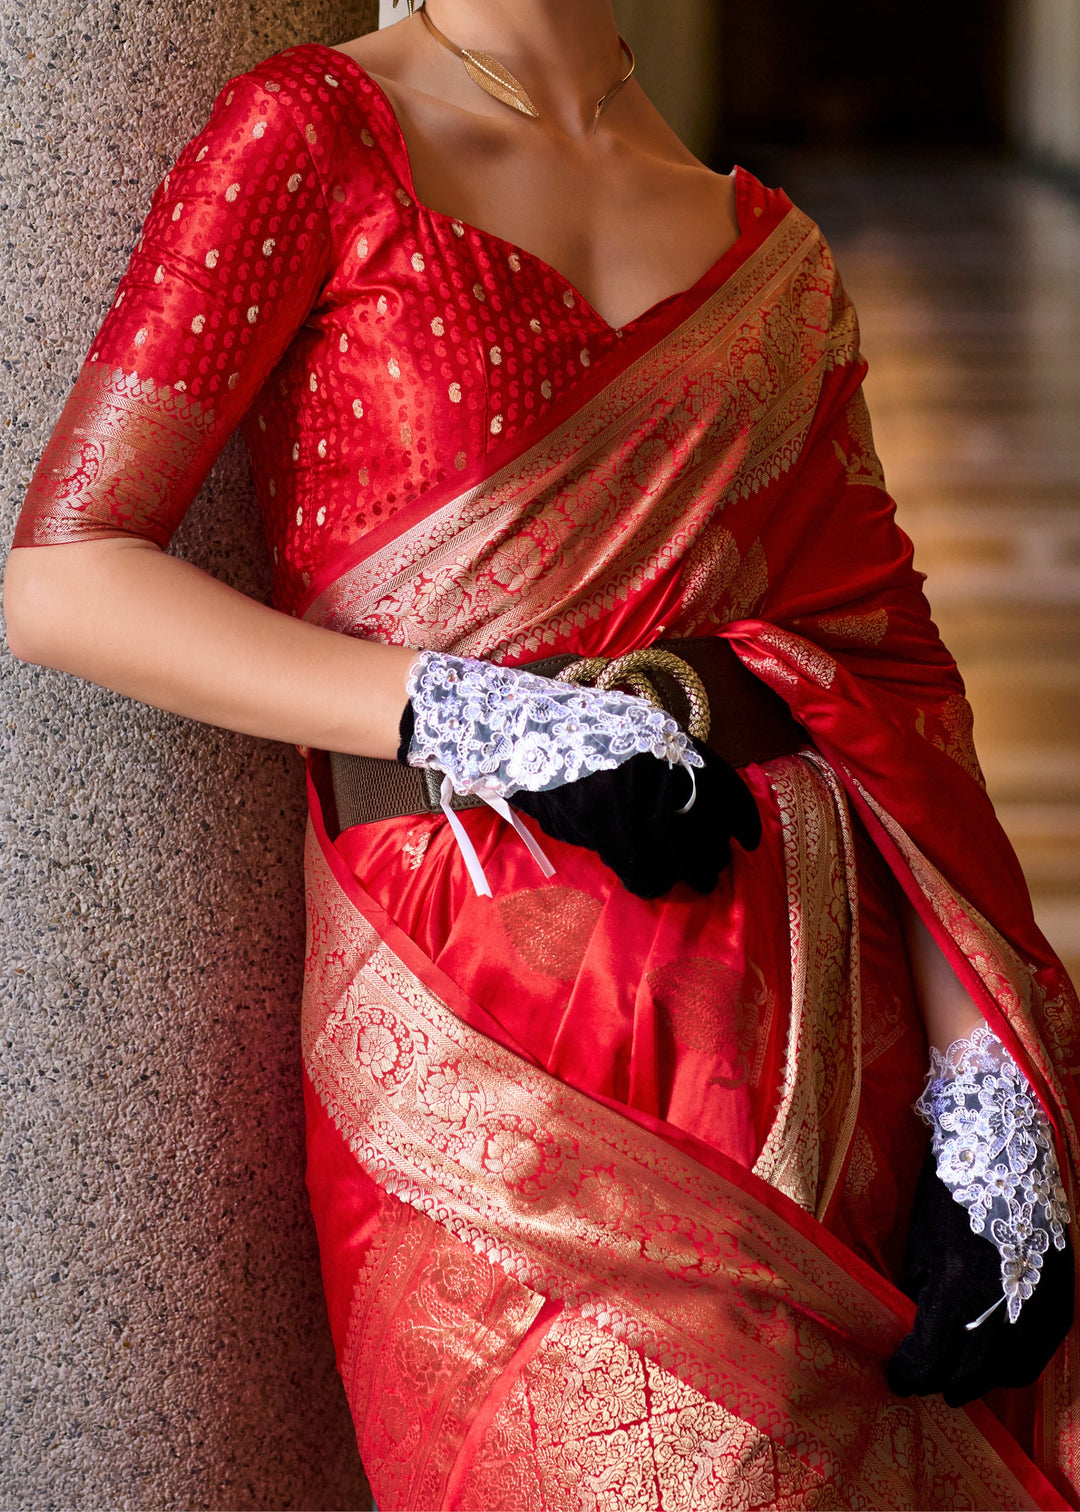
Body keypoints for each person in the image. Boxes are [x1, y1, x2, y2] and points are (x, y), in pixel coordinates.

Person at [5, 2, 1079, 1506]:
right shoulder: (311, 140)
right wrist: (476, 716)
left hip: (806, 1030)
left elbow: (893, 685)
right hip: (481, 1030)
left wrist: (988, 1095)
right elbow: (64, 575)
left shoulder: (769, 254)